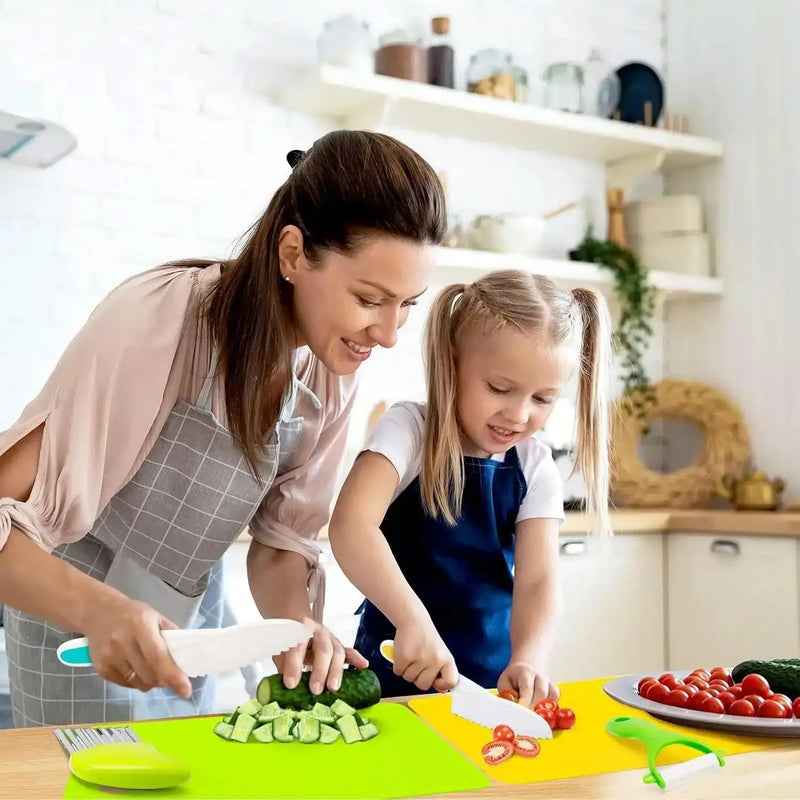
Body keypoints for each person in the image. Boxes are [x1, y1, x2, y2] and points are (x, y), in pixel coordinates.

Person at [0, 130, 446, 727]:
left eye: (408, 305)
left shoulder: (332, 369)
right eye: (370, 299)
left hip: (191, 627)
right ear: (292, 254)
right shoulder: (162, 318)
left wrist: (297, 628)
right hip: (76, 624)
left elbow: (282, 544)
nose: (389, 334)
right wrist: (102, 612)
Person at [328, 270, 613, 707]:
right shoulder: (409, 430)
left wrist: (529, 659)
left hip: (490, 686)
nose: (519, 415)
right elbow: (352, 525)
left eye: (542, 399)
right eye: (500, 389)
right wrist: (411, 621)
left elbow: (537, 582)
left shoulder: (534, 465)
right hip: (388, 677)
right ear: (452, 362)